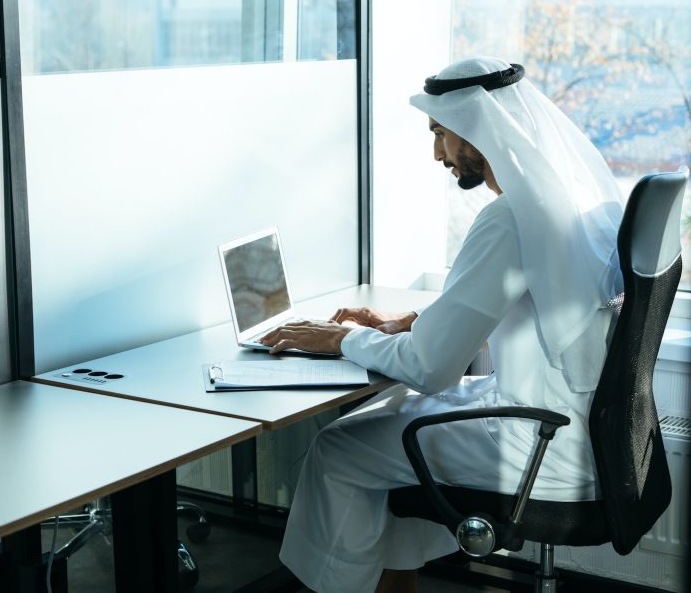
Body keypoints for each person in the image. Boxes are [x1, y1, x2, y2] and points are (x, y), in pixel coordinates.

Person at [260, 56, 625, 593]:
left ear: (479, 128)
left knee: (339, 449)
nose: (437, 154)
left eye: (440, 133)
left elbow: (430, 369)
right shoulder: (565, 199)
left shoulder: (509, 217)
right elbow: (512, 304)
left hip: (540, 447)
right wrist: (409, 322)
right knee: (394, 416)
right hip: (581, 433)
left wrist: (341, 338)